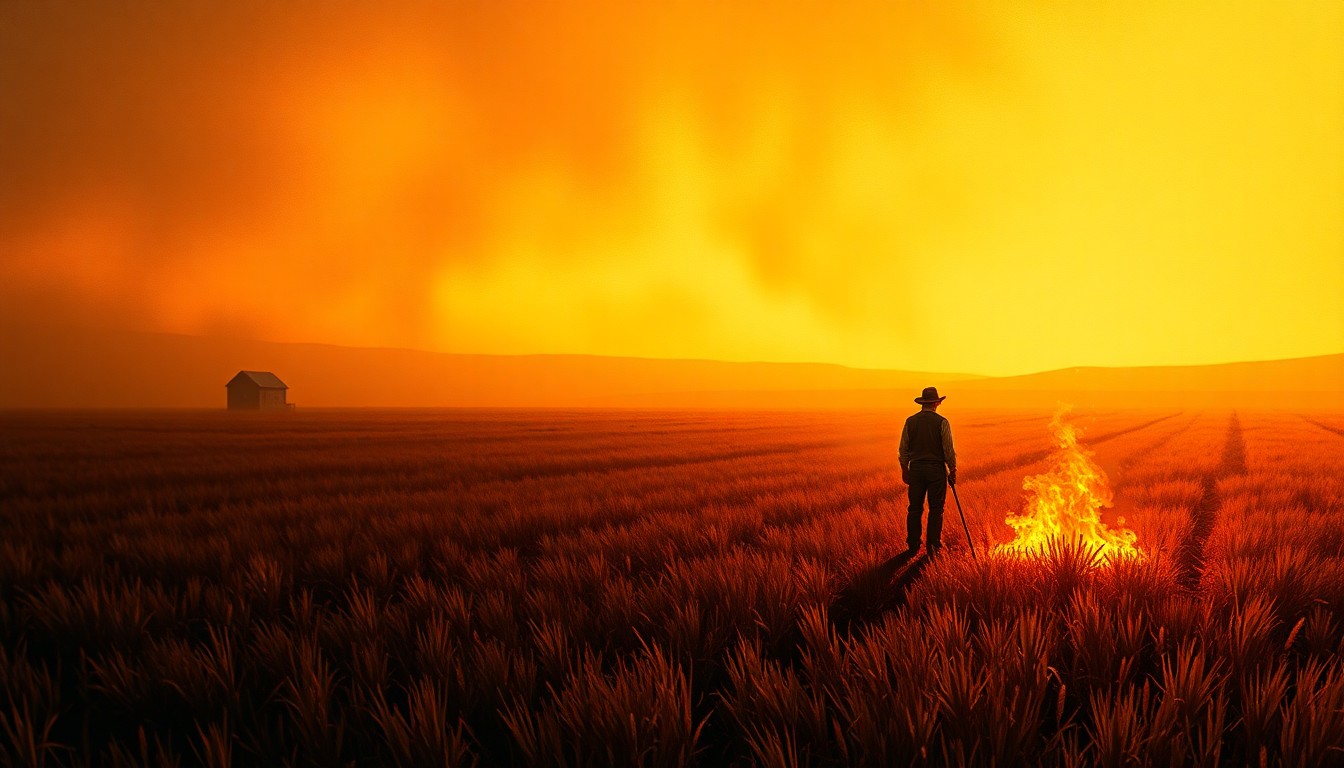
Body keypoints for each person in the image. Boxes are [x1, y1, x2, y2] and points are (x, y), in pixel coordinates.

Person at [899, 386, 957, 555]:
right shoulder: (942, 422)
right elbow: (948, 449)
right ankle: (933, 546)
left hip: (916, 469)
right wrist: (952, 470)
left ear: (923, 403)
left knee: (915, 508)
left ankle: (913, 544)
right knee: (936, 508)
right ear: (937, 403)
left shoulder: (910, 421)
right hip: (936, 470)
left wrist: (905, 469)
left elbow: (903, 449)